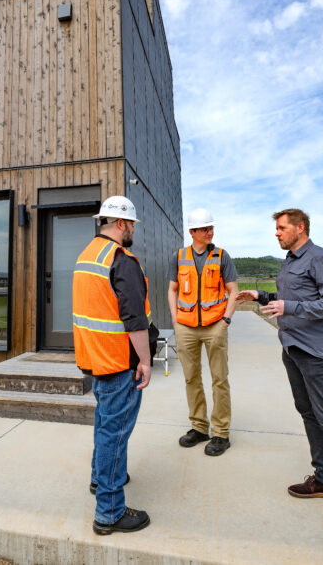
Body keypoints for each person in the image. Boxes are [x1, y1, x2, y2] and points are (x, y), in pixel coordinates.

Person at [236, 208, 323, 534]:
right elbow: (293, 298)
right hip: (293, 349)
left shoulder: (320, 258)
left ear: (300, 227)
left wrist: (288, 307)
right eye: (276, 228)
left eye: (281, 228)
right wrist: (262, 296)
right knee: (309, 414)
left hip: (317, 354)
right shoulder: (291, 261)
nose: (276, 233)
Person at [73, 195, 153, 535]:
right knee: (114, 435)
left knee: (105, 424)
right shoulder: (122, 260)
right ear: (121, 224)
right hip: (120, 362)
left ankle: (98, 477)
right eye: (131, 225)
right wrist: (146, 361)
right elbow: (134, 320)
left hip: (95, 359)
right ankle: (109, 512)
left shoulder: (87, 255)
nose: (133, 230)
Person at [168, 208, 239, 456]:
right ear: (192, 232)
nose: (210, 232)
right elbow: (172, 290)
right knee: (191, 378)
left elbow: (233, 291)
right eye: (205, 229)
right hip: (186, 327)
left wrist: (226, 321)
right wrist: (176, 322)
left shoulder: (221, 256)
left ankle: (221, 433)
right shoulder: (179, 256)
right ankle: (199, 428)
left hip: (215, 327)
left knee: (219, 379)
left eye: (211, 228)